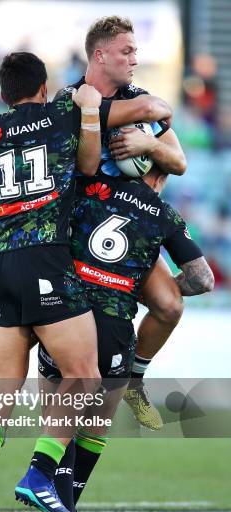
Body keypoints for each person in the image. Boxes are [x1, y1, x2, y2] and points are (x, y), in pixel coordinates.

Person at [0, 51, 104, 512]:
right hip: (44, 258)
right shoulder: (60, 114)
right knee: (86, 375)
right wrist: (84, 108)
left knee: (3, 387)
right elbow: (86, 163)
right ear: (44, 86)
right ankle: (40, 471)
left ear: (3, 94)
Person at [37, 166, 214, 512]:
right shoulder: (163, 213)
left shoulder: (88, 188)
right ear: (159, 176)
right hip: (118, 327)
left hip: (68, 314)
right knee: (95, 425)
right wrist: (138, 285)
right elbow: (202, 280)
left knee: (59, 412)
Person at [75, 15, 188, 429]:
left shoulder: (138, 97)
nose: (135, 59)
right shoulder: (72, 100)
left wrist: (148, 143)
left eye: (136, 51)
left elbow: (178, 162)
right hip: (78, 236)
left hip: (128, 233)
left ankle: (135, 379)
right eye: (127, 51)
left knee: (170, 304)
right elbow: (82, 170)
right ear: (100, 55)